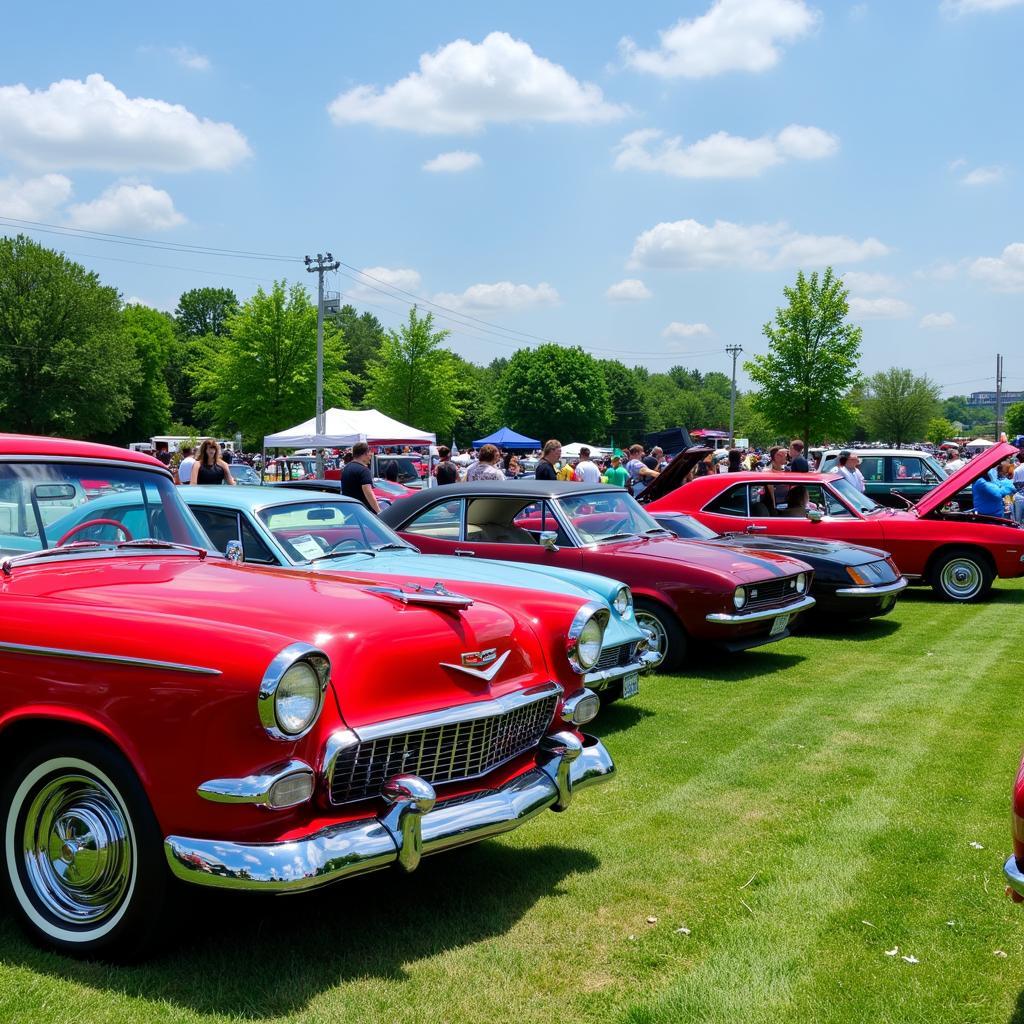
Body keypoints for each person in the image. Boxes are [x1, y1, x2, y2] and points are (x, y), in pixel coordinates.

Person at [341, 441, 381, 513]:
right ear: (365, 454)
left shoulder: (346, 468)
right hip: (362, 512)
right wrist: (378, 511)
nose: (370, 456)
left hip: (348, 510)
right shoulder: (364, 470)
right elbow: (368, 492)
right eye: (369, 453)